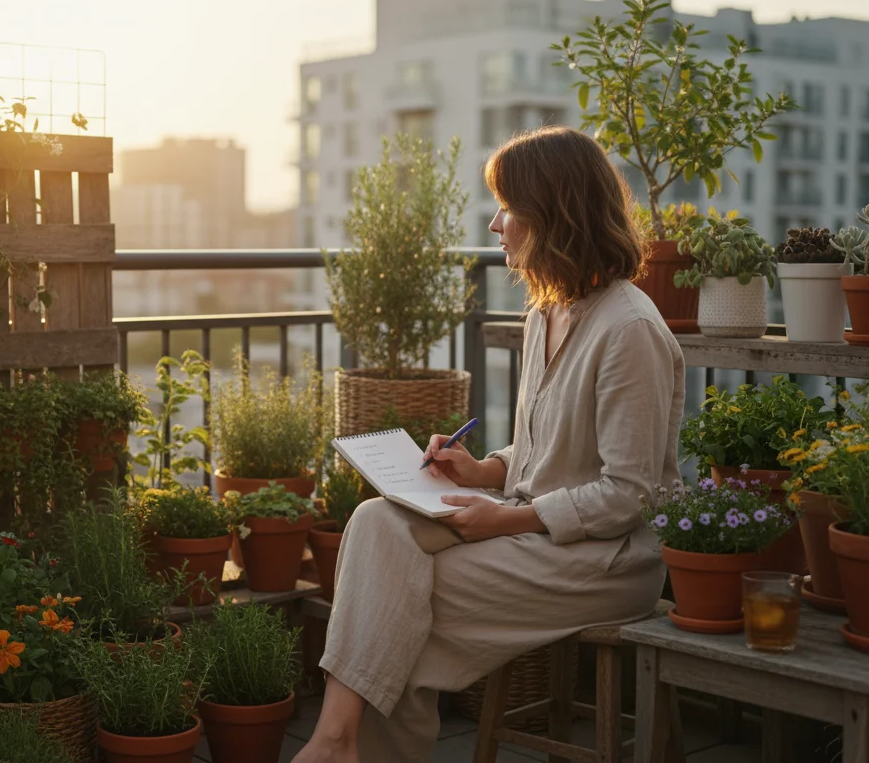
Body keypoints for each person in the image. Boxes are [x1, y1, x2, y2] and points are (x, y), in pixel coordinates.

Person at [292, 126, 685, 763]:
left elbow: (629, 495)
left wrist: (507, 517)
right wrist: (483, 470)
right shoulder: (544, 313)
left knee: (401, 599)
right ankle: (338, 742)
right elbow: (546, 451)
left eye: (507, 208)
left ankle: (337, 743)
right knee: (375, 522)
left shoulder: (629, 329)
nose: (496, 224)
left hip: (604, 559)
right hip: (530, 530)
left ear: (553, 215)